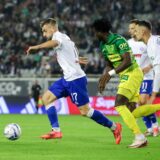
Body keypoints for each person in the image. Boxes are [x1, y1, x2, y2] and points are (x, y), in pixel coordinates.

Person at [26, 18, 122, 144]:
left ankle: (114, 127)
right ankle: (56, 130)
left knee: (85, 111)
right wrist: (75, 59)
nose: (44, 34)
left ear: (52, 28)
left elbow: (55, 42)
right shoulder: (65, 37)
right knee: (46, 98)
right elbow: (72, 47)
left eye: (44, 31)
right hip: (67, 78)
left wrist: (37, 47)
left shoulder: (58, 36)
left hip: (76, 79)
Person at [92, 18, 160, 148]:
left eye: (95, 32)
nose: (94, 35)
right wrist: (105, 77)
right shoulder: (103, 45)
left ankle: (140, 137)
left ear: (101, 31)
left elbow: (127, 61)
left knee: (118, 104)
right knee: (133, 112)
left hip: (132, 72)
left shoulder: (119, 40)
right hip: (126, 75)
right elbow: (109, 63)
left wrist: (110, 74)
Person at [128, 19, 159, 137]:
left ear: (141, 30)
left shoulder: (151, 43)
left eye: (134, 29)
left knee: (142, 101)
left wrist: (154, 94)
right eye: (131, 29)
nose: (132, 32)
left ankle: (155, 126)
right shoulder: (129, 43)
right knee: (141, 104)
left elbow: (156, 64)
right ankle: (151, 128)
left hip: (147, 76)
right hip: (136, 77)